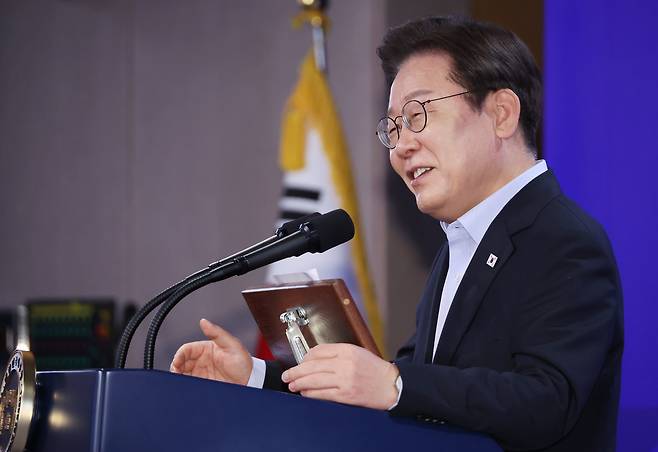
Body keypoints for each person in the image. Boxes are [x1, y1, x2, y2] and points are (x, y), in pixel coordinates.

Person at [170, 16, 623, 451]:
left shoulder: (564, 240)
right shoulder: (464, 242)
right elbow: (408, 387)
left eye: (418, 114)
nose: (402, 144)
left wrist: (395, 384)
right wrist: (254, 375)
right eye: (394, 126)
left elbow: (548, 403)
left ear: (501, 113)